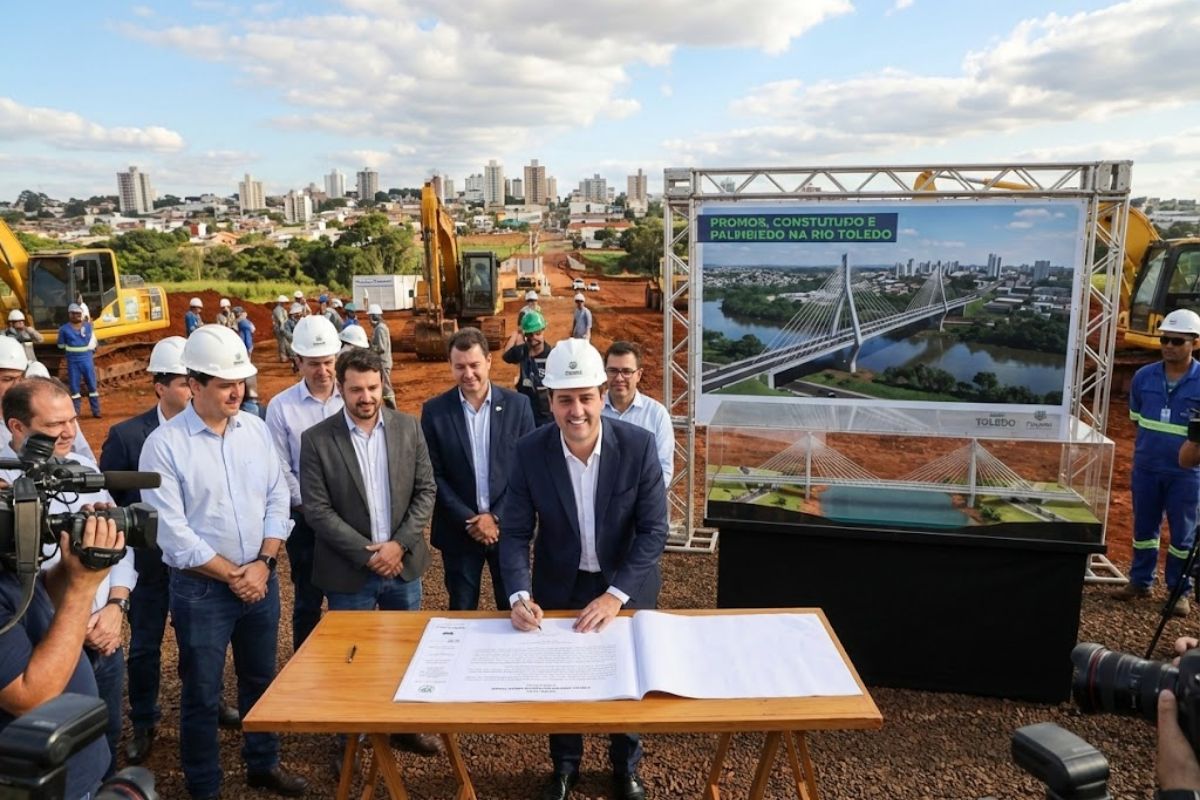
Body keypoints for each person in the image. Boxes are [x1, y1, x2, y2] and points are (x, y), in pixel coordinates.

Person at [139, 325, 308, 800]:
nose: (237, 390)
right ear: (194, 385)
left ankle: (262, 763)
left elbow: (278, 498)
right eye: (224, 383)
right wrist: (236, 575)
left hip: (260, 578)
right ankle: (205, 786)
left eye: (240, 381)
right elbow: (172, 532)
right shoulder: (165, 445)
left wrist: (264, 563)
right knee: (202, 693)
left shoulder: (255, 429)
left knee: (260, 679)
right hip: (202, 591)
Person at [499, 338, 668, 800]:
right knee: (562, 680)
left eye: (586, 398)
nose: (577, 411)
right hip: (561, 582)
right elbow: (514, 532)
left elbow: (654, 531)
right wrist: (517, 595)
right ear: (549, 401)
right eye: (565, 399)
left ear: (600, 394)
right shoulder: (530, 452)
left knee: (626, 679)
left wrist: (615, 595)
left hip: (626, 586)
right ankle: (565, 767)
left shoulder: (638, 446)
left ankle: (625, 767)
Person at [99, 337, 240, 764]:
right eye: (181, 381)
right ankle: (144, 720)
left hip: (199, 566)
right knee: (145, 644)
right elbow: (113, 505)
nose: (189, 388)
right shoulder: (127, 437)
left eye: (191, 380)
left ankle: (208, 702)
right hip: (148, 567)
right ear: (159, 386)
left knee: (200, 644)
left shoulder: (223, 429)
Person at [299, 347, 439, 756]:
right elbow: (318, 510)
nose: (366, 397)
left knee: (404, 652)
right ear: (340, 388)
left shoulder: (408, 428)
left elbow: (425, 491)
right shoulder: (317, 440)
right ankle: (350, 736)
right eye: (356, 389)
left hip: (402, 568)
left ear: (383, 385)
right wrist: (369, 554)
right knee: (351, 659)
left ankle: (403, 727)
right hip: (350, 574)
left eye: (373, 387)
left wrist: (398, 545)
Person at [0, 378, 138, 780]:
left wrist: (113, 601)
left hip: (93, 640)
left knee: (106, 733)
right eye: (54, 425)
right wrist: (82, 587)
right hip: (39, 771)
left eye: (73, 420)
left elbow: (35, 591)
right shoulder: (8, 480)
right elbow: (30, 695)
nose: (68, 432)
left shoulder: (79, 468)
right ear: (17, 428)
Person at [0, 495, 123, 799]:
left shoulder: (6, 563)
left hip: (72, 766)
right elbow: (29, 695)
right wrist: (84, 587)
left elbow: (32, 599)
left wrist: (71, 567)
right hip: (41, 783)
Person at [421, 328, 534, 611]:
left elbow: (527, 470)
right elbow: (434, 474)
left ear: (488, 361)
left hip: (507, 530)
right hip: (459, 532)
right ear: (451, 366)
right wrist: (471, 520)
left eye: (474, 365)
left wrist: (496, 517)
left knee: (513, 608)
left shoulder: (518, 406)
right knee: (461, 609)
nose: (468, 373)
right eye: (460, 367)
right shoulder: (435, 412)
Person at [265, 315, 343, 650]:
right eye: (313, 364)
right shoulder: (281, 407)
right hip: (306, 520)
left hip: (351, 518)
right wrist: (310, 507)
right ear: (298, 361)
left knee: (350, 600)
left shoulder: (354, 397)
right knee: (307, 600)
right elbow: (279, 466)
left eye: (327, 362)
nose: (322, 371)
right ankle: (305, 667)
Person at [1118, 309, 1200, 616]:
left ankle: (1179, 591)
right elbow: (1137, 419)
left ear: (1195, 342)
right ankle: (1140, 582)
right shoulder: (1143, 377)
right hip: (1147, 467)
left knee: (1183, 537)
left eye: (1177, 341)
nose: (1169, 346)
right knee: (1144, 529)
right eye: (1165, 339)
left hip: (1187, 474)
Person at [601, 341, 674, 489]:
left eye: (627, 371)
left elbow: (664, 468)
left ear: (639, 374)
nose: (619, 378)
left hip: (640, 506)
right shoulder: (593, 410)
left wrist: (644, 502)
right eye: (613, 371)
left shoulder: (657, 414)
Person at [502, 309, 554, 427]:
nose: (534, 337)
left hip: (546, 418)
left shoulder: (552, 356)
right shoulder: (521, 352)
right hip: (525, 415)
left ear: (543, 331)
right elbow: (505, 355)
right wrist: (516, 333)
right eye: (530, 334)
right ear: (525, 335)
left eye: (537, 333)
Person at [57, 302, 100, 419]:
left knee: (92, 386)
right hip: (74, 361)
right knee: (74, 388)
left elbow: (61, 346)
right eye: (74, 314)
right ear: (69, 314)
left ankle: (96, 411)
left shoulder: (87, 326)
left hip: (85, 359)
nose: (76, 316)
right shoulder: (64, 329)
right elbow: (60, 345)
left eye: (78, 314)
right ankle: (76, 412)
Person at [367, 303, 396, 409]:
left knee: (386, 388)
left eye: (370, 317)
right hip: (381, 362)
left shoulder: (380, 329)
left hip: (383, 362)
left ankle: (392, 409)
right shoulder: (379, 328)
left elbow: (381, 348)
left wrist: (369, 348)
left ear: (374, 316)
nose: (369, 320)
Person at [272, 295, 290, 362]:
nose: (285, 303)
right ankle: (283, 358)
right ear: (281, 302)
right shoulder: (278, 310)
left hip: (282, 327)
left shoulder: (282, 309)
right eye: (284, 302)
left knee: (285, 342)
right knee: (282, 343)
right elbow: (281, 319)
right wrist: (282, 328)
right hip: (279, 328)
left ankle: (286, 356)